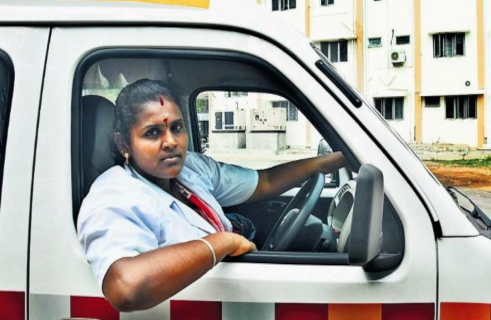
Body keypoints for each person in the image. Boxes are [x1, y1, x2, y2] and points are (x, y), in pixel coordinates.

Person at [77, 79, 347, 312]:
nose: (171, 141)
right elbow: (126, 286)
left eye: (177, 128)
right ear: (124, 143)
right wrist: (219, 243)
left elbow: (264, 182)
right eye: (152, 133)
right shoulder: (113, 194)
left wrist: (326, 163)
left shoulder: (190, 168)